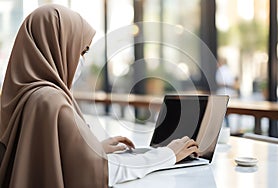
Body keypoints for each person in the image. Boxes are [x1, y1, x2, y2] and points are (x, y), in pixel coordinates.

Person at [0, 4, 200, 187]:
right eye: (82, 51)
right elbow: (104, 173)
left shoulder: (23, 96)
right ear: (60, 47)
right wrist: (167, 155)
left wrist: (92, 149)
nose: (82, 60)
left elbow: (41, 157)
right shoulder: (50, 100)